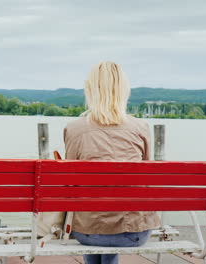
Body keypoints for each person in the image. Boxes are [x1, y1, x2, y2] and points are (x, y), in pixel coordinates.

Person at [64, 61, 161, 264]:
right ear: (124, 90)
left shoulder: (74, 129)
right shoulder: (141, 128)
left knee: (94, 223)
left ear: (90, 90)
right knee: (112, 219)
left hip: (87, 231)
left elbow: (69, 182)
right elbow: (146, 178)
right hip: (134, 232)